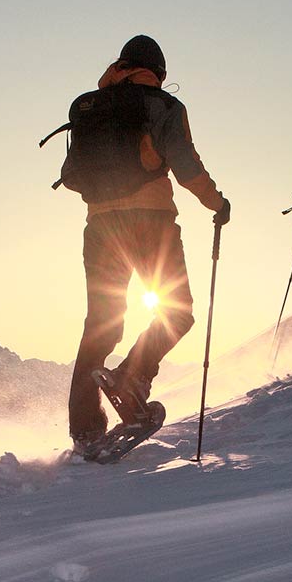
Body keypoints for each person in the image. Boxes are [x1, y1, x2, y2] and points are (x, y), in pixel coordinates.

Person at [58, 35, 229, 453]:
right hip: (150, 221)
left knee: (101, 322)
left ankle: (85, 428)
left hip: (100, 227)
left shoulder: (90, 106)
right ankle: (133, 377)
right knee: (179, 310)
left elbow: (69, 172)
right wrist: (217, 202)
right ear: (160, 72)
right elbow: (185, 164)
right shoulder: (163, 106)